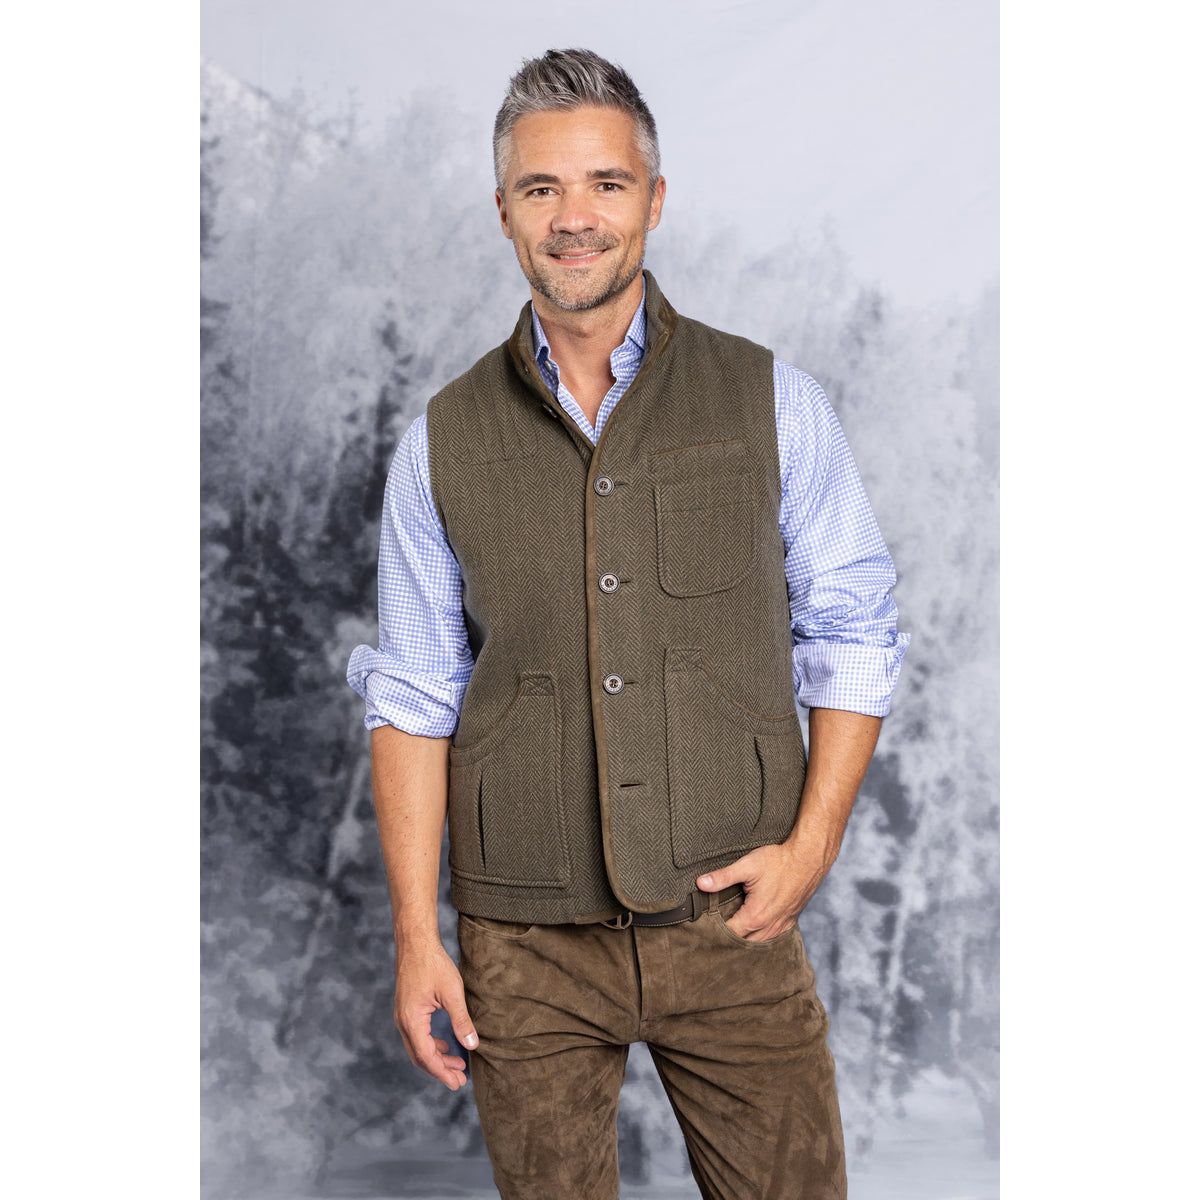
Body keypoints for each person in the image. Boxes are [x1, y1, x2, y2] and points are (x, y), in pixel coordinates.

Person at [346, 46, 910, 1200]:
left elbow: (854, 628)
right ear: (504, 211)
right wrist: (416, 939)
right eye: (541, 188)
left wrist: (812, 847)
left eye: (605, 184)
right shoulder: (439, 443)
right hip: (524, 946)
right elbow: (413, 695)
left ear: (653, 200)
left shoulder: (775, 403)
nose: (574, 218)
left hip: (733, 916)